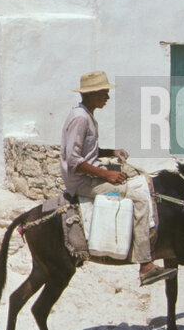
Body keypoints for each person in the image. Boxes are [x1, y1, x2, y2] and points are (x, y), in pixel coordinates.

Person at [60, 70, 176, 286]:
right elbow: (74, 161)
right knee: (140, 199)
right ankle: (145, 265)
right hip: (82, 183)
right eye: (103, 93)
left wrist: (111, 152)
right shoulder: (80, 119)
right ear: (91, 94)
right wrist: (107, 174)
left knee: (139, 176)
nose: (107, 97)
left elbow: (88, 152)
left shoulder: (86, 115)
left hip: (90, 173)